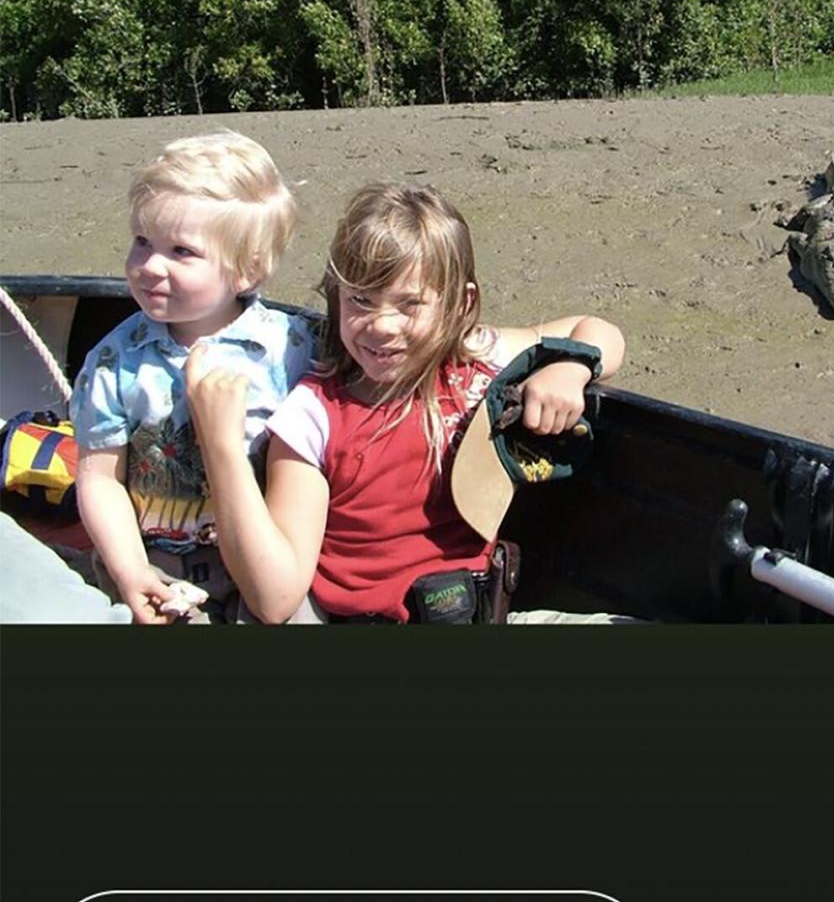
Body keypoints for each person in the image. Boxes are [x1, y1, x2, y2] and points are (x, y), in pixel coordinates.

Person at [186, 182, 625, 624]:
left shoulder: (476, 357)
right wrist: (221, 446)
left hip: (476, 613)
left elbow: (597, 329)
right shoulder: (313, 416)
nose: (381, 326)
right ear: (336, 295)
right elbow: (274, 600)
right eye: (361, 299)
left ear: (459, 304)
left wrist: (569, 367)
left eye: (409, 304)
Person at [70, 132, 318, 624]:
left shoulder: (293, 349)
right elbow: (99, 479)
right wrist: (130, 570)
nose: (149, 266)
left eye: (181, 251)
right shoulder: (115, 360)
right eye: (142, 242)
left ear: (247, 270)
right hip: (154, 562)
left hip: (263, 556)